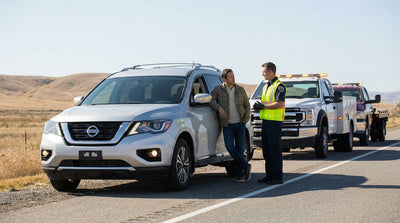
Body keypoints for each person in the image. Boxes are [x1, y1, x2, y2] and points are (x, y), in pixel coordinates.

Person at [210, 68, 252, 182]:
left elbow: (247, 105)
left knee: (240, 149)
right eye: (230, 77)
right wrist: (219, 108)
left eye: (233, 76)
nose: (233, 78)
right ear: (224, 79)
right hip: (227, 125)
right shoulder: (218, 89)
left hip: (240, 124)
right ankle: (246, 166)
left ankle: (239, 174)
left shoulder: (240, 90)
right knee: (230, 147)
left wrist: (245, 119)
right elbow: (210, 100)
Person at [253, 62, 286, 185]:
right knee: (266, 150)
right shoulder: (266, 86)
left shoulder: (279, 86)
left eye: (264, 71)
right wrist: (259, 106)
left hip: (275, 122)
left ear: (271, 72)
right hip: (266, 121)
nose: (262, 73)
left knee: (274, 150)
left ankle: (277, 177)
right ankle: (269, 175)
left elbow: (280, 103)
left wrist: (264, 106)